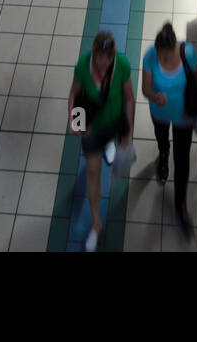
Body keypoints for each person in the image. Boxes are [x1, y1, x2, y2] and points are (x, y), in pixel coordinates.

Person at [141, 22, 197, 238]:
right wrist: (154, 96)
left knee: (183, 160)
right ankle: (163, 159)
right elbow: (145, 88)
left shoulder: (187, 52)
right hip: (160, 114)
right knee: (163, 142)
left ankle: (180, 204)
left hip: (184, 116)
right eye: (159, 54)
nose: (161, 58)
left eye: (165, 55)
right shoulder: (150, 55)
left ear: (173, 48)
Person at [68, 31, 135, 252]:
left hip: (114, 124)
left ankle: (110, 145)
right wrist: (75, 122)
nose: (103, 65)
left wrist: (128, 131)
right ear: (94, 54)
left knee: (116, 153)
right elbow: (73, 95)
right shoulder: (83, 66)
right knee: (93, 173)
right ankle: (96, 223)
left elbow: (129, 98)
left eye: (107, 60)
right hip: (92, 129)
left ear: (113, 56)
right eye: (99, 60)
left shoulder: (122, 65)